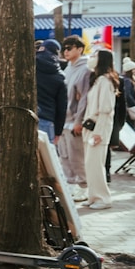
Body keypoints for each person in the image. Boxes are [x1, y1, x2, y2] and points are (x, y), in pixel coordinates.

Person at [81, 49, 118, 210]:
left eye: (95, 56)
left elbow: (106, 109)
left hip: (98, 128)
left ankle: (103, 198)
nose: (92, 58)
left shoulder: (105, 81)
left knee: (95, 164)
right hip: (91, 127)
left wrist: (99, 133)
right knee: (90, 164)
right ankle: (93, 196)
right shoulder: (98, 80)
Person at [58, 35, 90, 202]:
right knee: (65, 155)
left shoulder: (85, 69)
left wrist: (79, 121)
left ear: (79, 49)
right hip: (64, 119)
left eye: (70, 48)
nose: (66, 51)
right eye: (65, 48)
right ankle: (71, 184)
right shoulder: (67, 68)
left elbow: (84, 97)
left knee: (77, 156)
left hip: (74, 120)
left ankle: (84, 186)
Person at [35, 39, 67, 144]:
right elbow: (62, 107)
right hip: (47, 119)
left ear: (42, 48)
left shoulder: (31, 65)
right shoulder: (60, 76)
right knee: (46, 158)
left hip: (27, 115)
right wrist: (58, 132)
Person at [123, 57, 135, 131]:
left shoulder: (130, 79)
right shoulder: (127, 81)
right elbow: (128, 95)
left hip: (130, 107)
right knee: (132, 125)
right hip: (130, 107)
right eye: (134, 69)